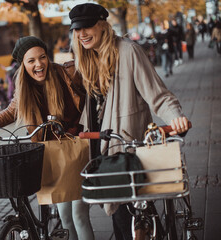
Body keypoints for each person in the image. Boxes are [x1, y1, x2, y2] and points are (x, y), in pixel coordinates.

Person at [68, 3, 190, 240]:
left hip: (128, 150)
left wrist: (176, 118)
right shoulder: (86, 59)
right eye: (76, 29)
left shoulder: (128, 52)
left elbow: (158, 95)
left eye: (88, 26)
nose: (81, 33)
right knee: (133, 217)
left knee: (128, 220)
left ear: (102, 25)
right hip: (104, 150)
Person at [0, 36, 95, 240]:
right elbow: (11, 112)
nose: (39, 64)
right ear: (23, 65)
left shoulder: (65, 74)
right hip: (52, 154)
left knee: (79, 215)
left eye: (42, 57)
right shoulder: (24, 86)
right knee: (65, 216)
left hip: (76, 149)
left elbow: (93, 92)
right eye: (31, 60)